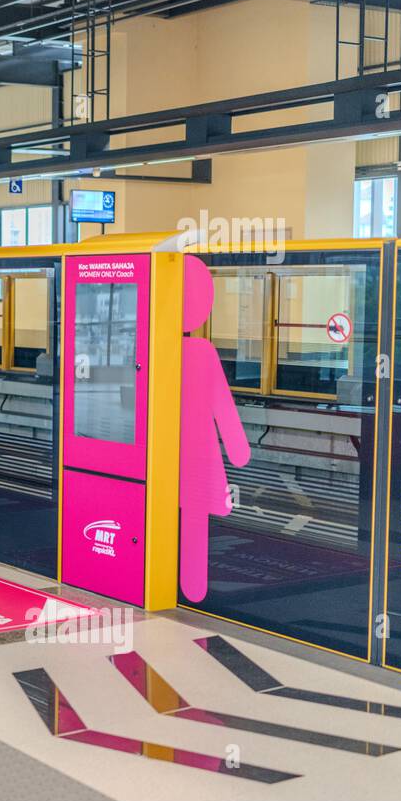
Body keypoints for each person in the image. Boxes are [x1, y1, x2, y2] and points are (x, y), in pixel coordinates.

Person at [179, 255, 251, 602]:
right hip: (201, 454)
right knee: (195, 514)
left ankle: (172, 579)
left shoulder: (156, 350)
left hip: (164, 452)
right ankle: (192, 588)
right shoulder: (203, 351)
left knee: (168, 507)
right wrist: (239, 452)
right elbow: (223, 406)